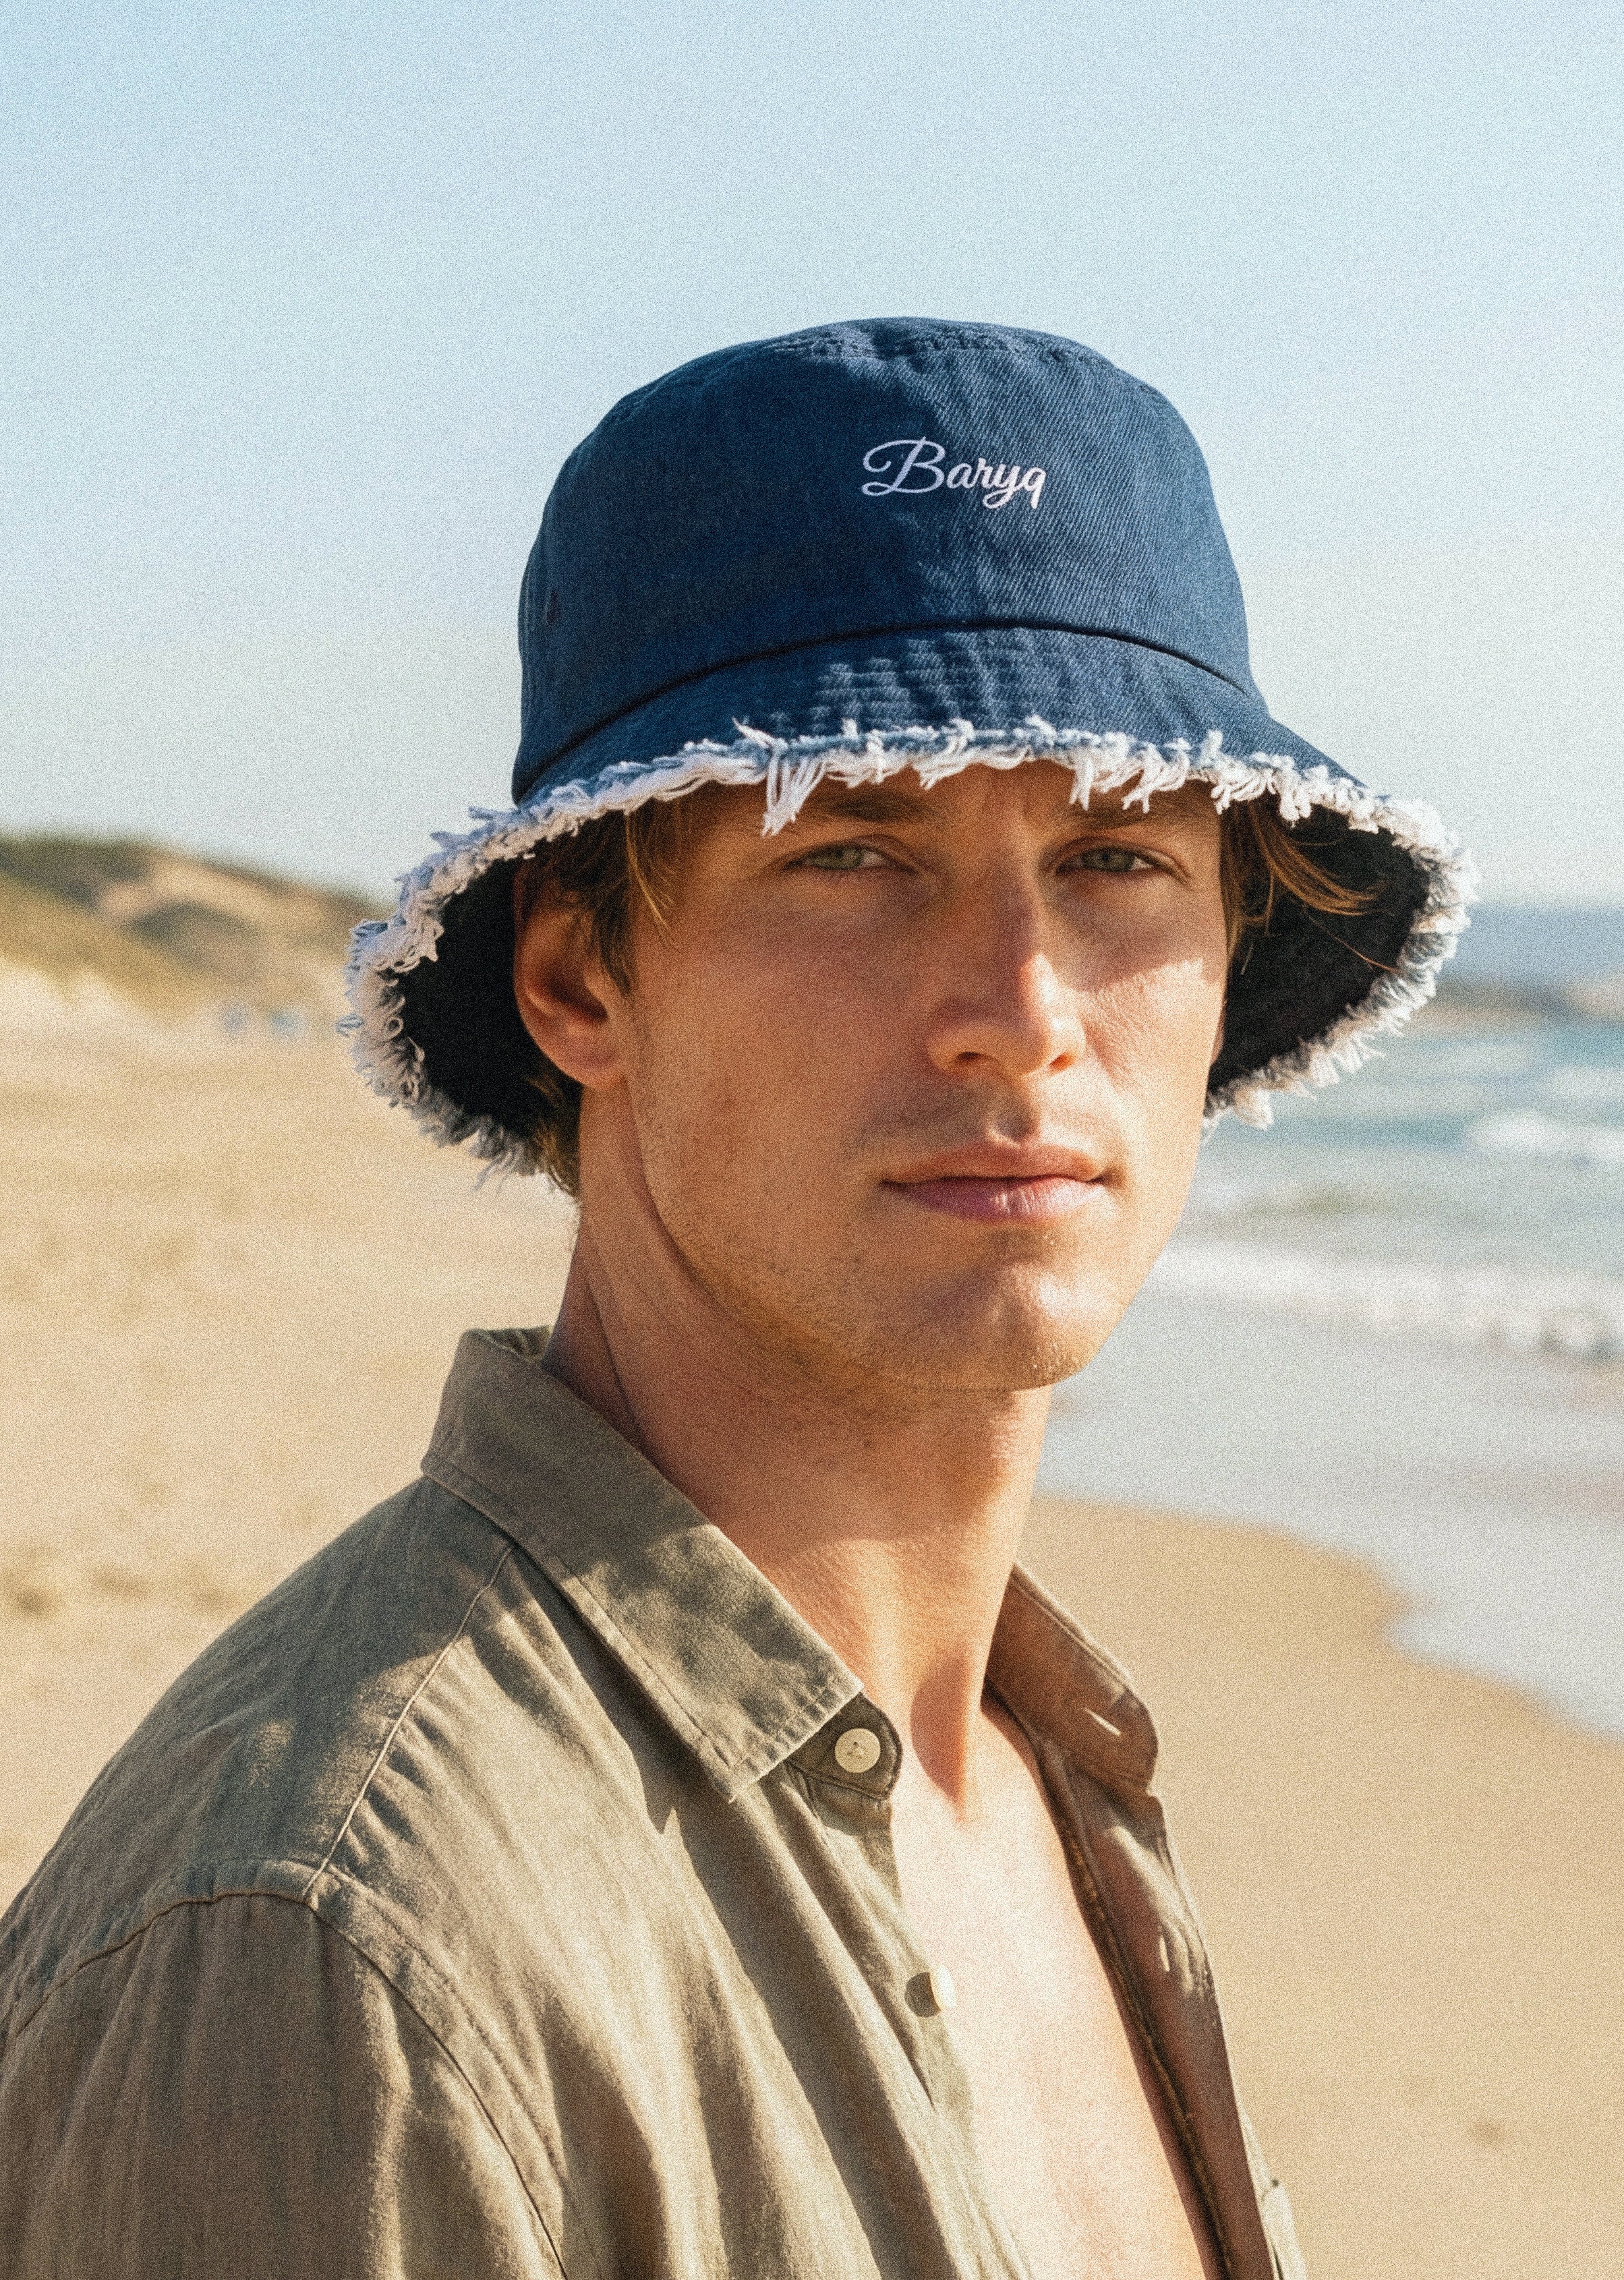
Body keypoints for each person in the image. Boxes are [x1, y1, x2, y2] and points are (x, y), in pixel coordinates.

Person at [0, 318, 1466, 2278]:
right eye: (856, 854)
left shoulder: (1045, 1771)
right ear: (577, 983)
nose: (1019, 1011)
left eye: (1115, 855)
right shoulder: (345, 1943)